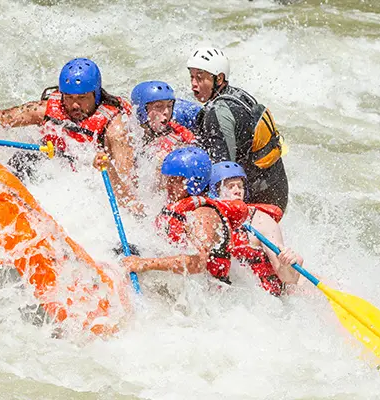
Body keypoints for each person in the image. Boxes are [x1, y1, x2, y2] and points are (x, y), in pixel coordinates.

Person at [0, 58, 135, 182]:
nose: (74, 105)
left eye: (82, 98)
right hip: (53, 166)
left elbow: (128, 191)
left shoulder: (115, 129)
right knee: (23, 160)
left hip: (89, 180)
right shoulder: (45, 109)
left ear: (96, 95)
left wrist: (107, 169)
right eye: (69, 97)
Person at [121, 146, 251, 278]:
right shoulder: (178, 207)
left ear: (194, 182)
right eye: (168, 179)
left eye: (175, 181)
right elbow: (130, 204)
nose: (168, 186)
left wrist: (145, 264)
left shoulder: (202, 214)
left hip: (207, 292)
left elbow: (199, 263)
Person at [187, 47, 289, 212]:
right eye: (191, 77)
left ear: (218, 79)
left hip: (261, 199)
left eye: (200, 78)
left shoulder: (217, 113)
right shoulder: (239, 96)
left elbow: (225, 171)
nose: (193, 84)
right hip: (277, 189)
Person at [92, 81, 196, 214]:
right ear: (142, 110)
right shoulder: (125, 135)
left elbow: (143, 201)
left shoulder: (176, 144)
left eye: (170, 106)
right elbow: (126, 186)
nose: (166, 112)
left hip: (153, 210)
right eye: (158, 106)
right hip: (129, 202)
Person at [208, 161, 301, 296]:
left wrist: (286, 264)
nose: (237, 190)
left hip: (264, 298)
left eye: (240, 186)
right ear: (215, 190)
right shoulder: (207, 218)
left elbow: (287, 278)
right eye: (230, 186)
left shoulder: (261, 221)